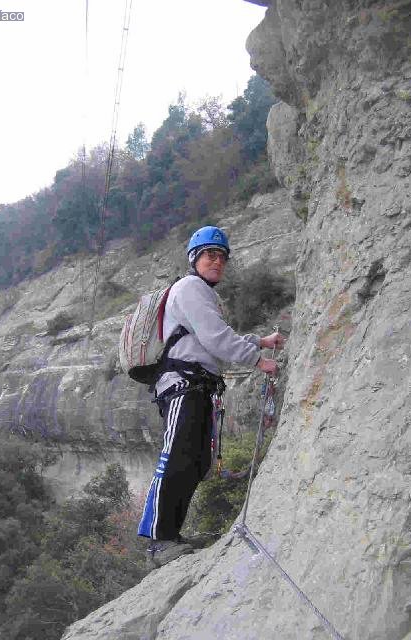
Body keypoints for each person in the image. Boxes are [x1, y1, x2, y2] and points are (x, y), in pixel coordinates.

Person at [138, 225, 285, 567]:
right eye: (210, 255)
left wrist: (258, 341)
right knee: (176, 457)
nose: (217, 261)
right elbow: (216, 338)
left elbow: (212, 337)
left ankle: (171, 536)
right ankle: (159, 543)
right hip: (182, 385)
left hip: (198, 385)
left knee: (197, 462)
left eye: (222, 257)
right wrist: (258, 360)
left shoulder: (203, 294)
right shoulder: (190, 287)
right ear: (194, 258)